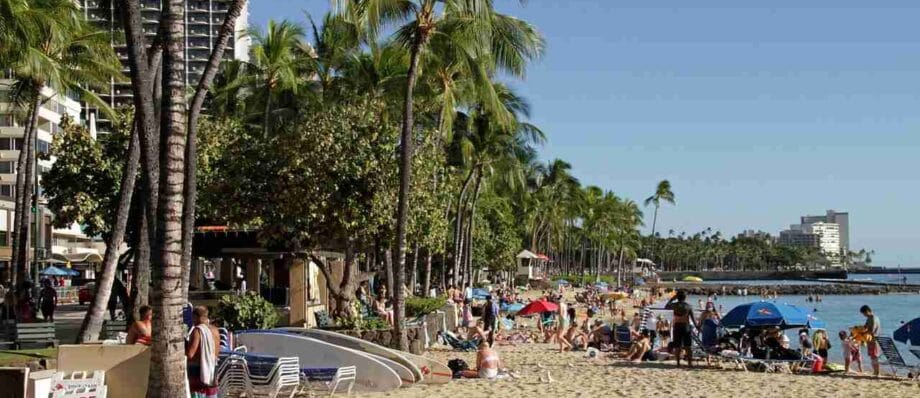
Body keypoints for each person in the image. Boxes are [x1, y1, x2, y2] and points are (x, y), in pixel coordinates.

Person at [186, 306, 220, 398]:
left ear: (196, 317)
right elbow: (217, 351)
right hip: (213, 369)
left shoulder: (197, 330)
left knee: (198, 395)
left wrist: (185, 344)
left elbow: (190, 354)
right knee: (211, 395)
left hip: (199, 371)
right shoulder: (215, 330)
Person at [666, 290, 695, 367]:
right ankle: (690, 363)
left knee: (677, 346)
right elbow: (693, 319)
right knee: (688, 346)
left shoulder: (675, 305)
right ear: (685, 297)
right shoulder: (689, 306)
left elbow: (666, 306)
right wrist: (698, 328)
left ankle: (678, 363)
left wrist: (672, 299)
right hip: (686, 326)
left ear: (677, 297)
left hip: (677, 326)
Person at [860, 305, 881, 377]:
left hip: (874, 340)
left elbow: (872, 330)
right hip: (870, 340)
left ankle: (877, 372)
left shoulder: (874, 318)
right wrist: (857, 329)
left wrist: (863, 333)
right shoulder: (869, 318)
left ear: (867, 311)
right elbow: (865, 327)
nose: (864, 315)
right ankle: (875, 372)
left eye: (864, 314)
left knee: (874, 356)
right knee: (872, 356)